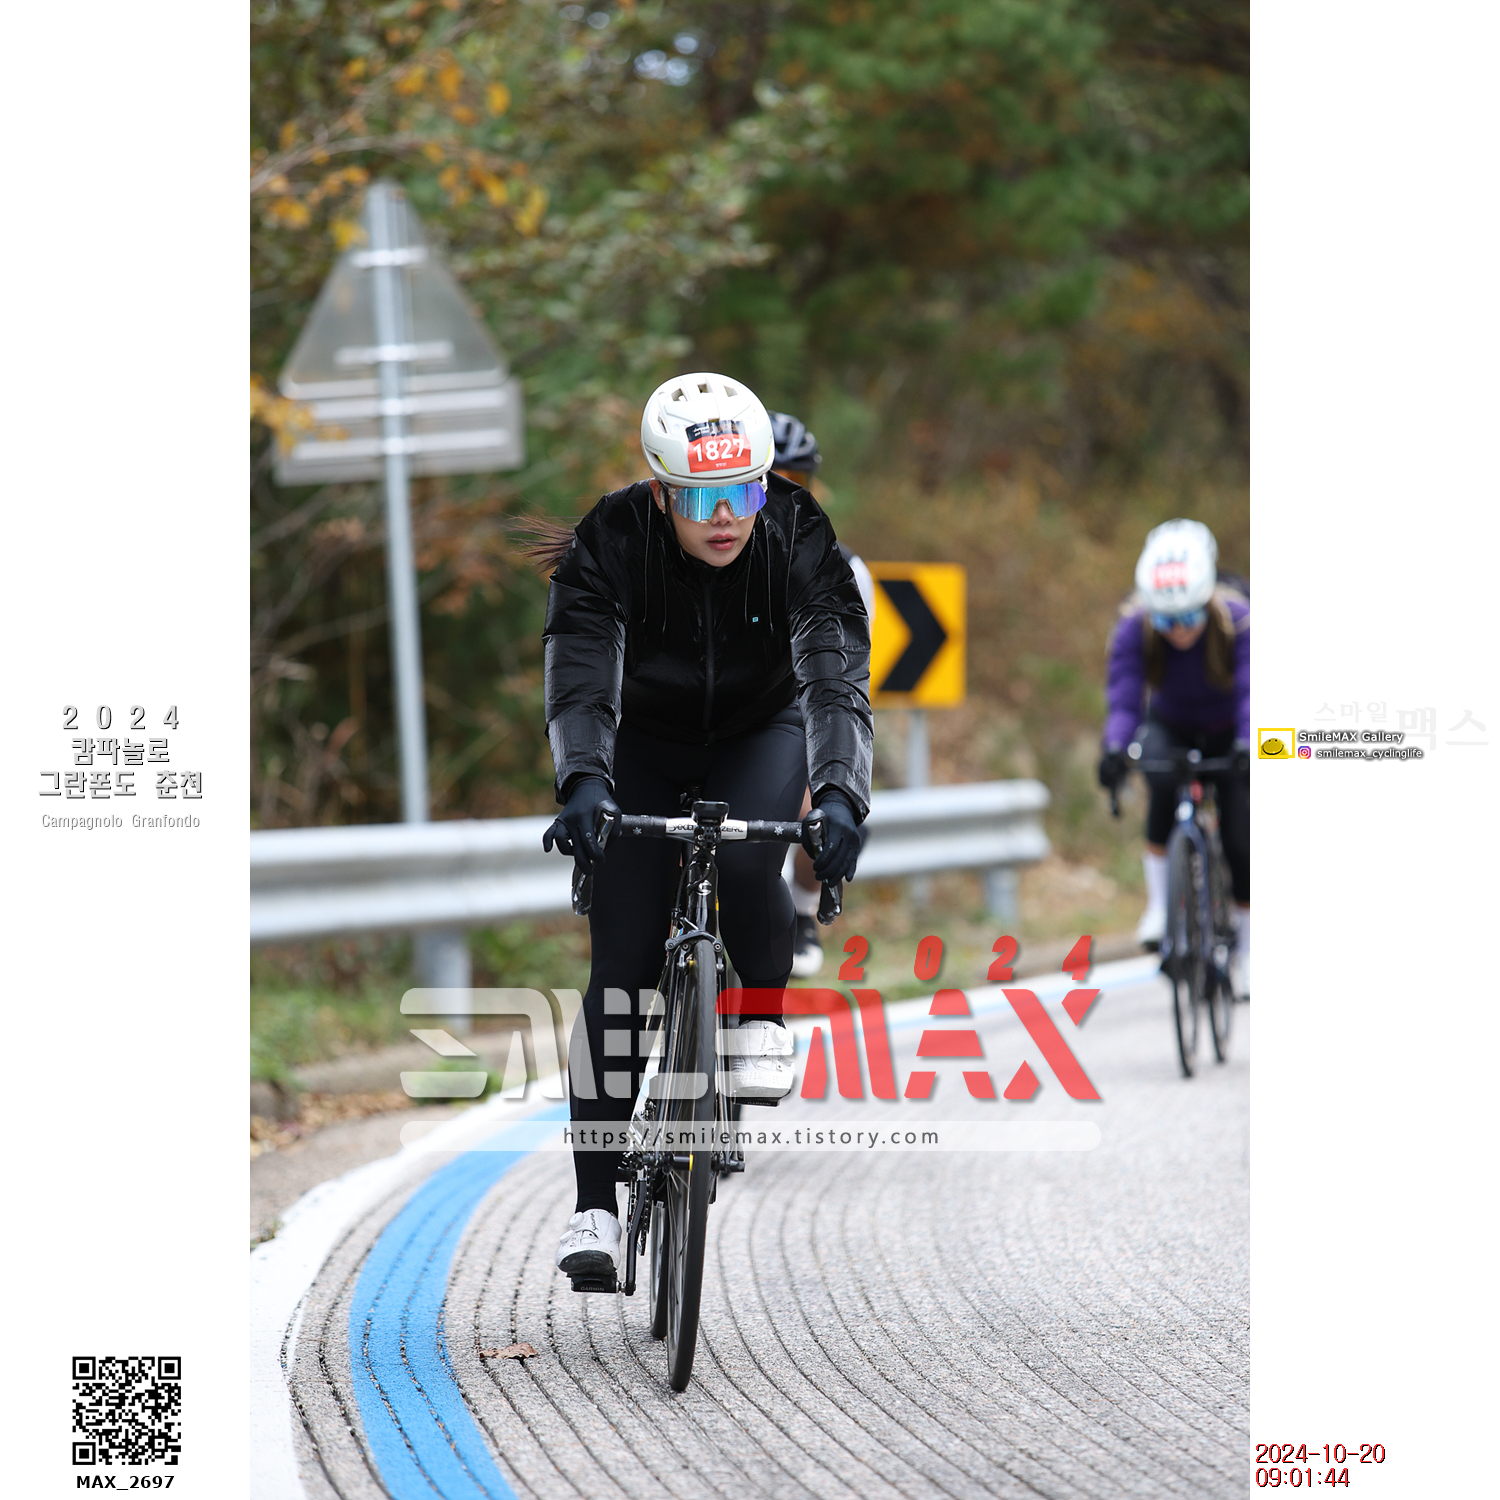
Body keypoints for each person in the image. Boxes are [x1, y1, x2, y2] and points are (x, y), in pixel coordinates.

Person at [539, 372, 873, 1289]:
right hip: (641, 739)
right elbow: (579, 671)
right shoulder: (613, 537)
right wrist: (584, 780)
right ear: (660, 492)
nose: (726, 517)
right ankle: (595, 1208)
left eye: (744, 492)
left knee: (754, 858)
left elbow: (835, 678)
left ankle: (758, 1010)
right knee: (621, 966)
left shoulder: (799, 532)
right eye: (700, 498)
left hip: (761, 727)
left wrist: (841, 796)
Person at [1097, 519, 1250, 992]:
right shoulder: (1134, 626)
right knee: (1160, 779)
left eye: (1188, 618)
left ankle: (1250, 949)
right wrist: (1115, 748)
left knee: (1242, 836)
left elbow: (1254, 691)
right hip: (1171, 723)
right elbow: (1125, 697)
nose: (1178, 631)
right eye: (1166, 621)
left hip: (1231, 729)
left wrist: (1249, 743)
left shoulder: (1240, 621)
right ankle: (1160, 906)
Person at [766, 411, 878, 977]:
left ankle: (804, 910)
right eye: (768, 481)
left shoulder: (845, 568)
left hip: (807, 702)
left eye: (795, 481)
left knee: (814, 802)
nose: (781, 495)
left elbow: (846, 676)